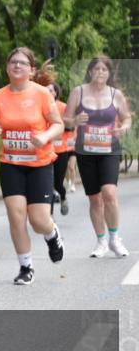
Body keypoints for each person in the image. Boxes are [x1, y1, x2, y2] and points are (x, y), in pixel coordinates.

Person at [0, 48, 66, 285]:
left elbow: (58, 124)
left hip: (39, 163)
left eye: (22, 63)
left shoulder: (41, 94)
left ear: (31, 70)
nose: (16, 66)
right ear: (7, 67)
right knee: (16, 217)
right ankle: (26, 267)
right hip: (11, 163)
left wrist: (45, 136)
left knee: (39, 220)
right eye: (12, 62)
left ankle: (52, 234)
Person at [64, 55, 132, 258]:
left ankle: (115, 238)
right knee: (94, 199)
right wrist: (75, 120)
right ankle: (101, 240)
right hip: (86, 152)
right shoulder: (79, 92)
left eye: (104, 69)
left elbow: (126, 117)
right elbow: (64, 120)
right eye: (97, 69)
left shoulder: (116, 95)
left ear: (109, 73)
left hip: (109, 150)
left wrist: (125, 128)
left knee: (109, 193)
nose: (100, 72)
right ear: (90, 72)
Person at [47, 82, 72, 216]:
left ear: (56, 92)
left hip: (60, 150)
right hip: (45, 151)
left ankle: (62, 196)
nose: (49, 92)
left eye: (51, 90)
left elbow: (70, 125)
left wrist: (62, 126)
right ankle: (49, 216)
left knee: (57, 182)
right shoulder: (39, 105)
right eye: (46, 90)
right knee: (48, 184)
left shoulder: (63, 107)